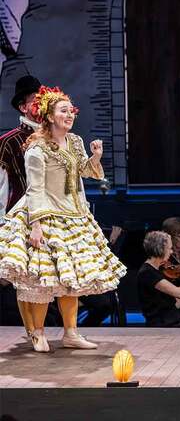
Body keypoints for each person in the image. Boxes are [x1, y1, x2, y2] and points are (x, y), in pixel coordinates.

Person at [0, 85, 126, 352]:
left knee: (72, 279)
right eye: (63, 111)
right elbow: (34, 188)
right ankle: (38, 333)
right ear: (49, 115)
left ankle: (70, 333)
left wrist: (95, 156)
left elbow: (84, 170)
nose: (70, 115)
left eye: (71, 111)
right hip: (46, 214)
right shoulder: (36, 147)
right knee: (45, 278)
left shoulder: (75, 141)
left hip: (74, 213)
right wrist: (36, 225)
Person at [0, 75, 42, 340]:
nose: (41, 105)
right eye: (35, 101)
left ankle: (60, 330)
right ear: (23, 107)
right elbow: (3, 186)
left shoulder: (55, 136)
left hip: (52, 214)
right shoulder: (9, 141)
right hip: (20, 213)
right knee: (26, 276)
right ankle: (32, 332)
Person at [137, 231, 180, 327]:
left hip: (174, 322)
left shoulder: (157, 270)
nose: (172, 252)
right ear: (160, 249)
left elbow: (177, 303)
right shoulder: (147, 273)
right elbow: (179, 293)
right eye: (169, 248)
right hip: (162, 326)